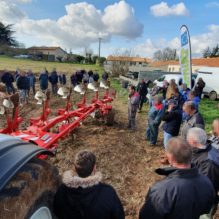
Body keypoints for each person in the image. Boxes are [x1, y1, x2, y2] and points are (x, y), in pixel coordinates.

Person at [139, 137, 215, 219]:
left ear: (170, 158)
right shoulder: (207, 182)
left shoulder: (161, 190)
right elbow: (207, 209)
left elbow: (146, 216)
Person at [53, 150, 125, 219]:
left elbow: (57, 212)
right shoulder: (108, 193)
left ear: (74, 168)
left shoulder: (61, 191)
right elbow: (119, 216)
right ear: (94, 168)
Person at [187, 128, 219, 218]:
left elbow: (206, 189)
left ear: (193, 142)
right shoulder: (201, 150)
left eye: (187, 139)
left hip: (204, 203)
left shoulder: (208, 163)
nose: (186, 142)